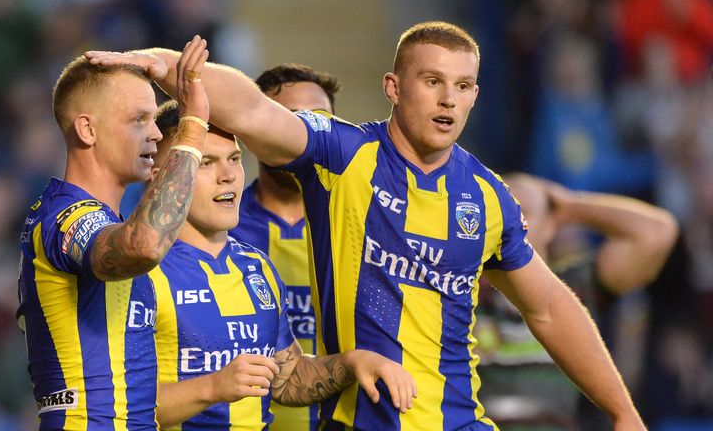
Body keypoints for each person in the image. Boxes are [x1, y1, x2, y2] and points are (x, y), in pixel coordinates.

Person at [87, 22, 647, 430]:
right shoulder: (344, 154)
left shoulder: (487, 196)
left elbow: (548, 306)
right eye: (432, 81)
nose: (448, 98)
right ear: (394, 87)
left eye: (463, 85)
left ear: (476, 94)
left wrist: (623, 411)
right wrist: (167, 66)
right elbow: (256, 111)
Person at [145, 100, 415, 429]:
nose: (228, 176)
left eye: (234, 159)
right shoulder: (138, 272)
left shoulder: (257, 267)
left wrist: (353, 362)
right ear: (161, 178)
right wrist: (213, 387)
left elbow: (285, 380)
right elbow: (115, 402)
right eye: (206, 163)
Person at [17, 39, 212, 430]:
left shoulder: (107, 219)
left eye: (155, 120)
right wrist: (191, 129)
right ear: (87, 129)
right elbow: (144, 245)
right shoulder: (66, 217)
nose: (157, 134)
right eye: (139, 120)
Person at [476, 173, 678, 429]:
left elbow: (658, 233)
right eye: (502, 211)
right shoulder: (464, 290)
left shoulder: (573, 291)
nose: (511, 223)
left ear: (551, 225)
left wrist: (568, 206)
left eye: (523, 210)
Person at [228, 63, 341, 431]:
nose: (304, 135)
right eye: (290, 120)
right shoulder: (213, 228)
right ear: (252, 131)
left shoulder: (367, 222)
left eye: (318, 121)